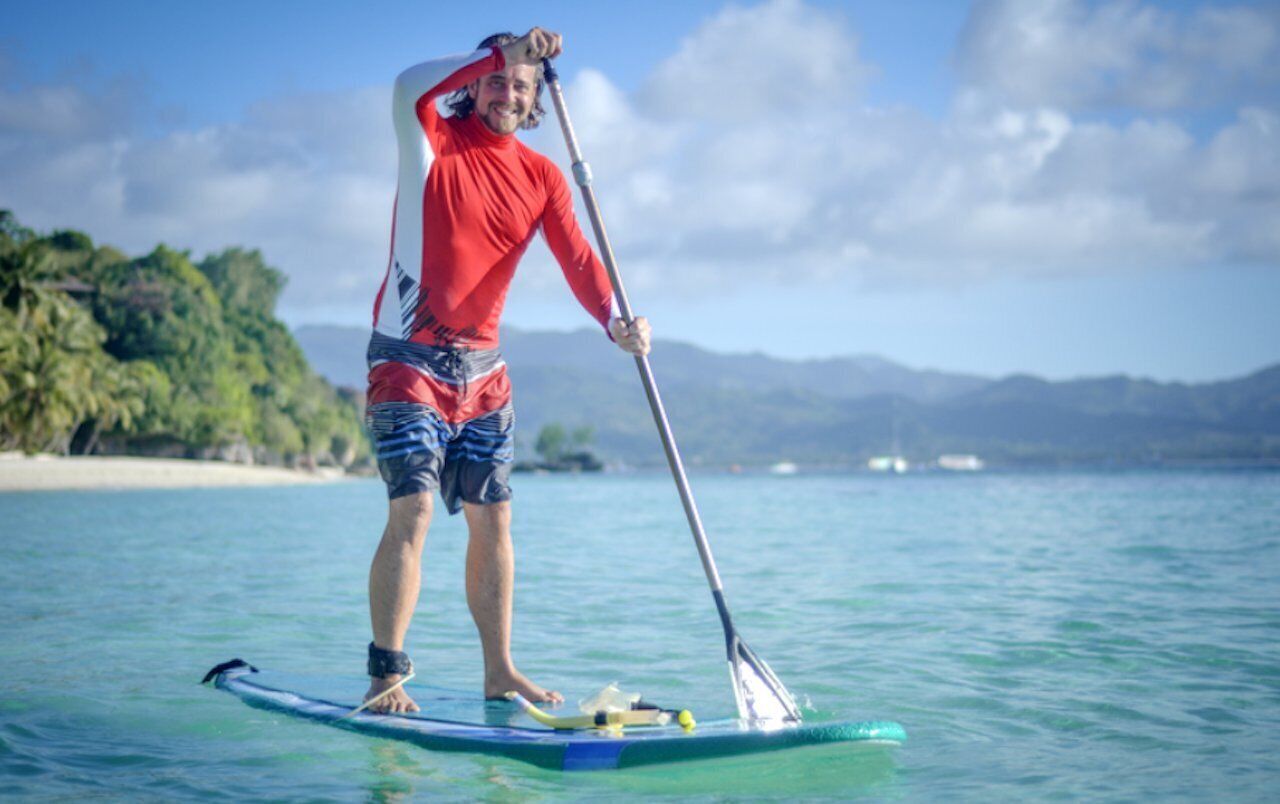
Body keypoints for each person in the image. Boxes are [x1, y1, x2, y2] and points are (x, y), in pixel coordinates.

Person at [362, 27, 651, 714]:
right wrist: (508, 51)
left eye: (522, 84)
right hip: (408, 362)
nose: (508, 92)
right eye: (497, 78)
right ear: (473, 82)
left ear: (535, 100)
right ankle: (385, 674)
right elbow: (406, 85)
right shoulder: (431, 137)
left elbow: (579, 259)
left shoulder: (543, 176)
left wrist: (615, 318)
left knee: (494, 523)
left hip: (485, 375)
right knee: (415, 508)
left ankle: (499, 670)